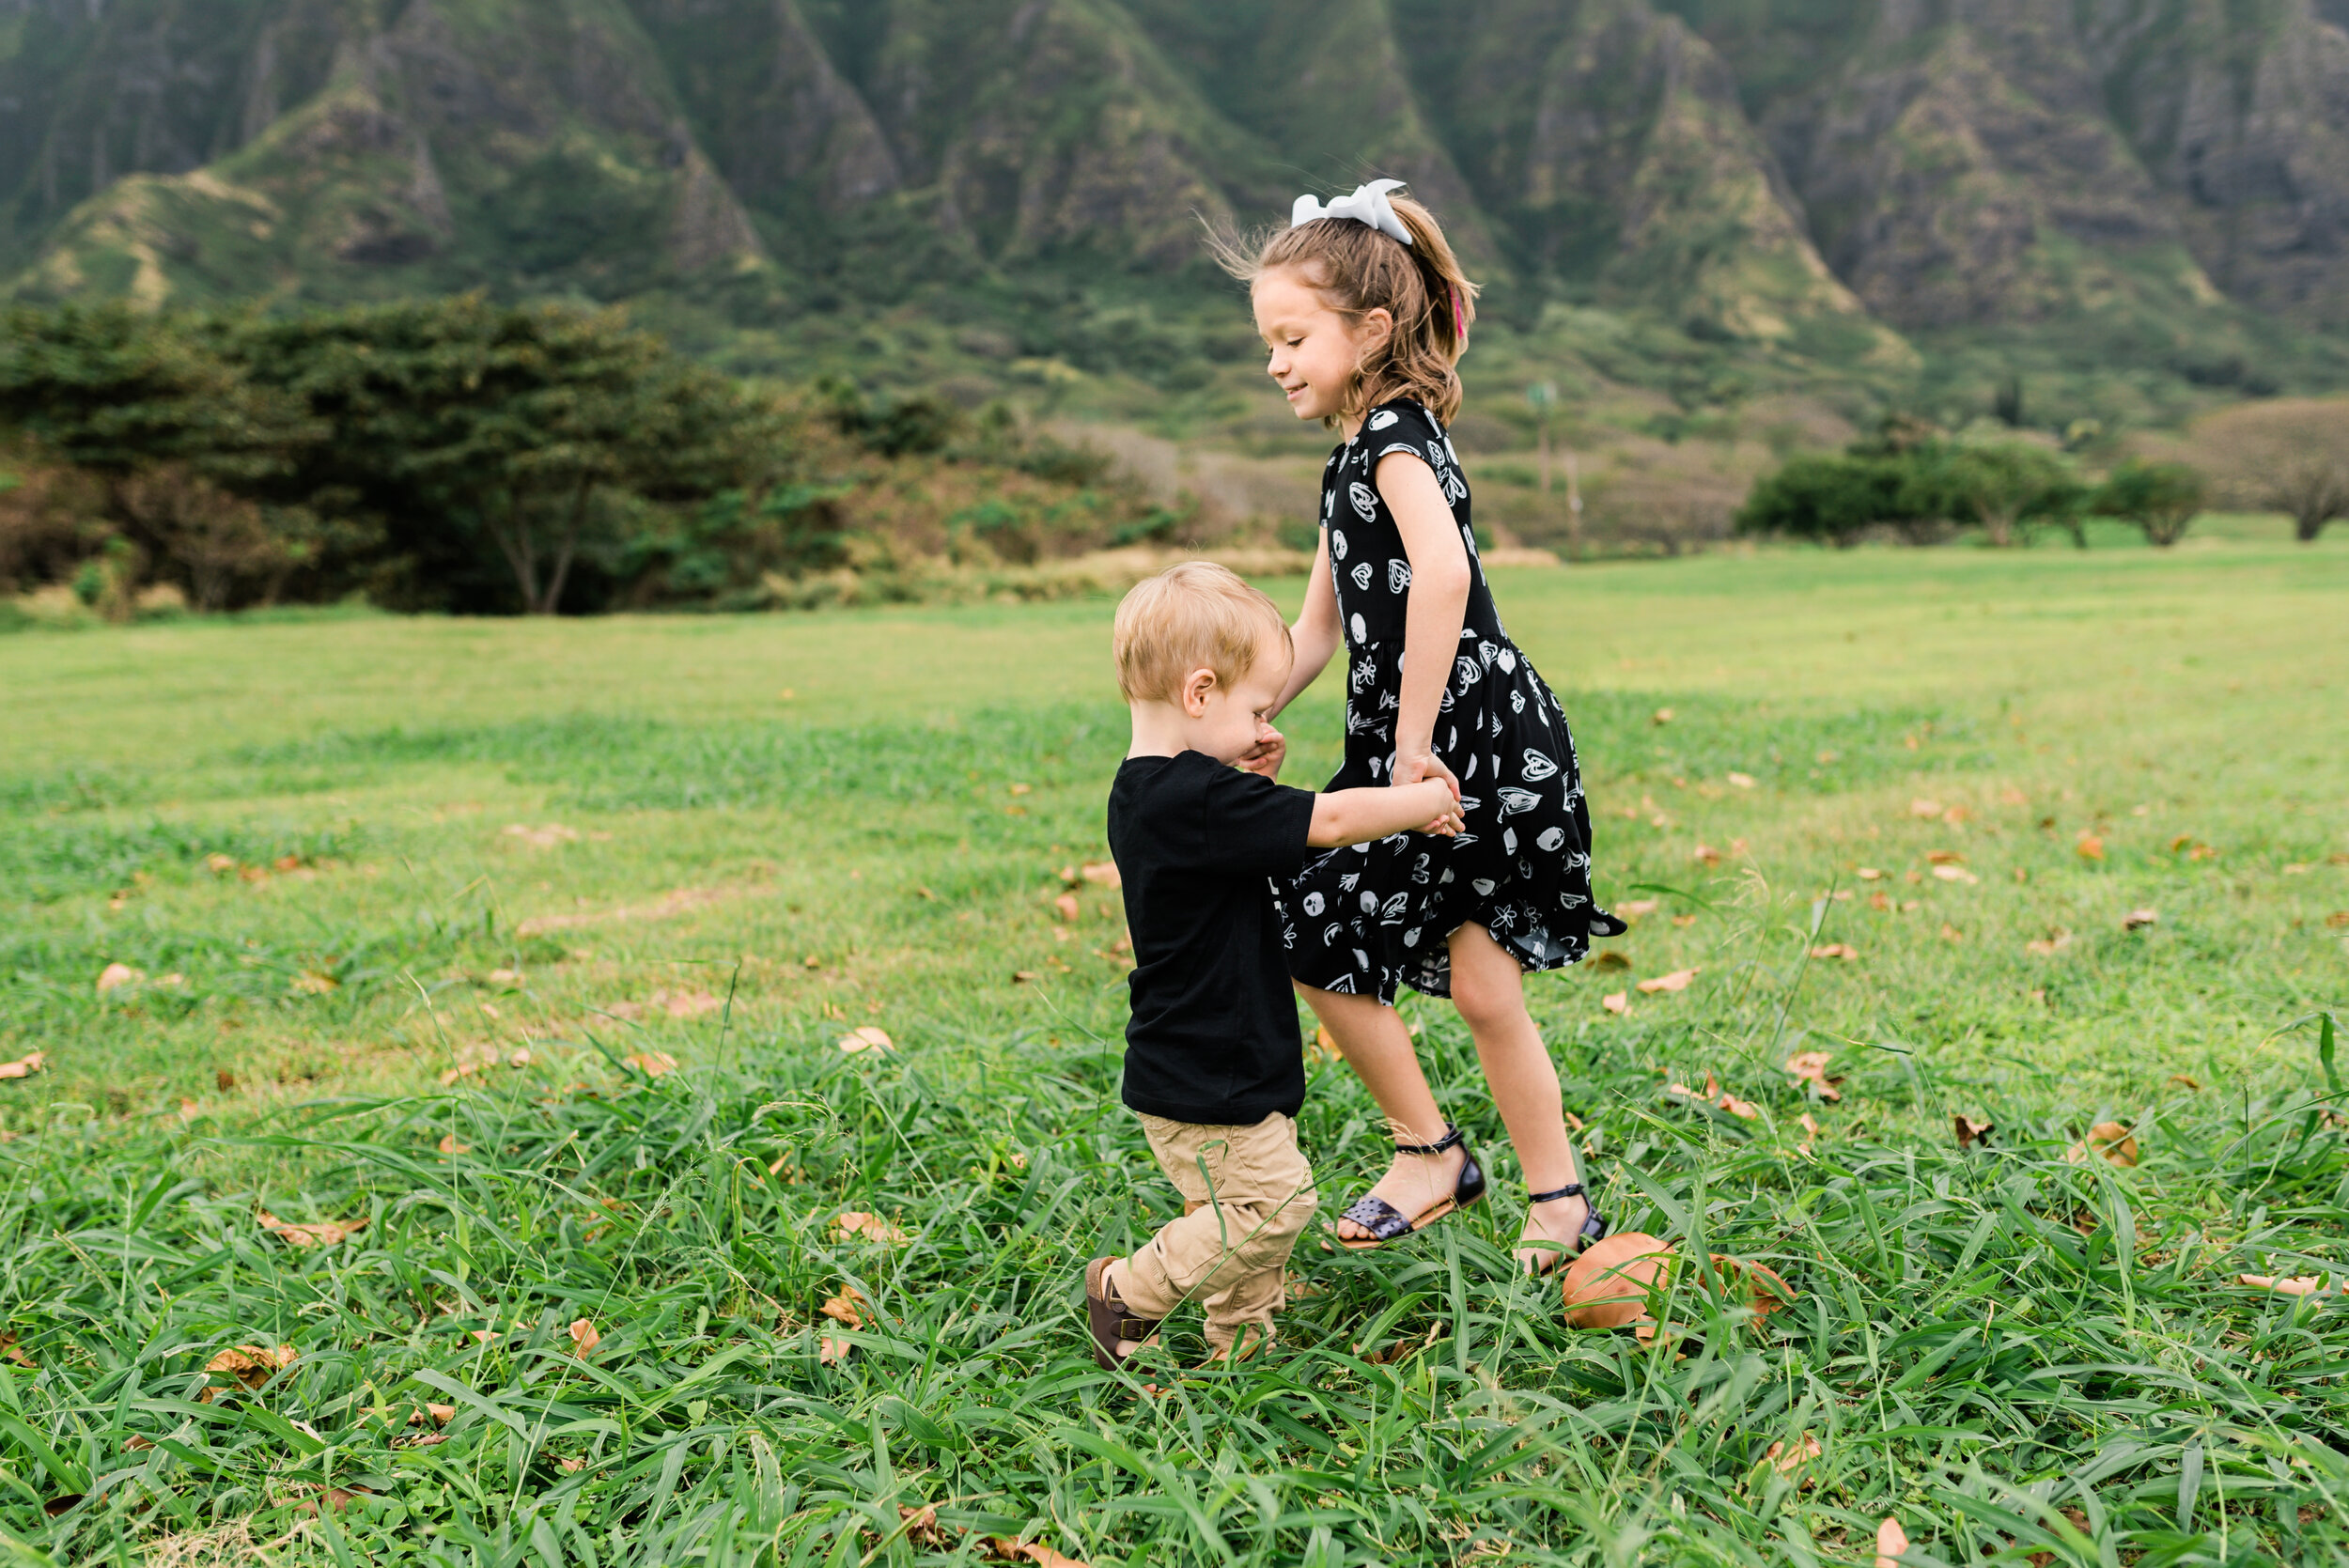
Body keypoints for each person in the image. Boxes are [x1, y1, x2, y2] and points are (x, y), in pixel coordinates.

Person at [1216, 179, 1626, 1276]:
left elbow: (1442, 575)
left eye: (1292, 336)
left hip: (1470, 740)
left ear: (1373, 329)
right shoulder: (1351, 457)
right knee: (1407, 960)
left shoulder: (1396, 436)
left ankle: (1472, 1167)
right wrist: (1244, 716)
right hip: (1441, 731)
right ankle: (1507, 1180)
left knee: (1331, 934)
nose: (1275, 362)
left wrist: (1408, 740)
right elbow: (1314, 629)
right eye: (1268, 342)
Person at [1087, 562, 1463, 1369]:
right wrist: (1420, 802)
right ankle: (1128, 1290)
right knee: (1273, 1206)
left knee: (1231, 1204)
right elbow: (1325, 821)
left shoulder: (1156, 790)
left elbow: (1247, 831)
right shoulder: (1189, 799)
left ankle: (1242, 1349)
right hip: (1205, 1065)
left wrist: (1249, 761)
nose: (1266, 721)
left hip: (1216, 1051)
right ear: (1198, 693)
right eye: (1255, 706)